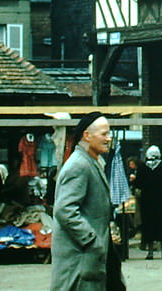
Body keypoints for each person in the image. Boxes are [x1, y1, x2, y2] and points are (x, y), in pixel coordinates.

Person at [50, 112, 124, 291]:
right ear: (87, 135)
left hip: (94, 258)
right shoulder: (78, 165)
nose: (108, 139)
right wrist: (92, 240)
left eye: (109, 133)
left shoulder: (92, 161)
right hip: (80, 261)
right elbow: (65, 210)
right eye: (104, 134)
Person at [132, 146, 162, 259]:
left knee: (149, 225)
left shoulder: (142, 168)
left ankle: (150, 251)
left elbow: (138, 184)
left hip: (147, 202)